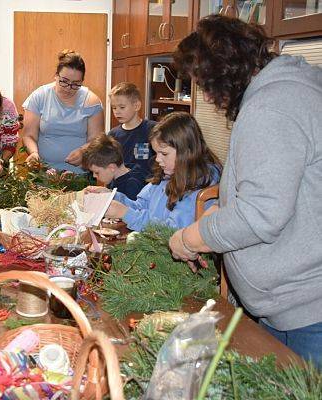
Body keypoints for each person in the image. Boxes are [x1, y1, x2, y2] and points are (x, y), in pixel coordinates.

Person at [167, 15, 322, 369]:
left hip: (306, 311)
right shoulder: (290, 88)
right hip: (295, 303)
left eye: (206, 84)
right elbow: (275, 188)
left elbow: (260, 214)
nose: (207, 96)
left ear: (226, 71)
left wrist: (191, 238)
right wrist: (219, 210)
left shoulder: (271, 107)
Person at [88, 112, 221, 232]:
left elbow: (171, 231)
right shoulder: (166, 175)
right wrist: (111, 196)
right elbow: (140, 206)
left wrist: (125, 213)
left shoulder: (201, 183)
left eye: (164, 153)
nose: (158, 159)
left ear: (186, 152)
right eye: (156, 153)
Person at [22, 50, 105, 173]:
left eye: (76, 84)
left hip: (79, 174)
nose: (68, 88)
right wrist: (34, 153)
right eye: (64, 81)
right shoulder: (39, 96)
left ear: (82, 81)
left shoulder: (92, 101)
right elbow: (29, 135)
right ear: (56, 75)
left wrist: (83, 151)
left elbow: (96, 139)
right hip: (44, 172)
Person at [108, 82, 156, 182]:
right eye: (114, 108)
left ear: (136, 106)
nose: (117, 111)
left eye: (122, 107)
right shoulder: (112, 135)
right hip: (120, 187)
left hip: (146, 188)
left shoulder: (153, 129)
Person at [81, 135, 144, 200]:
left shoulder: (132, 185)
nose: (94, 176)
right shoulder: (113, 176)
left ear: (112, 167)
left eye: (97, 172)